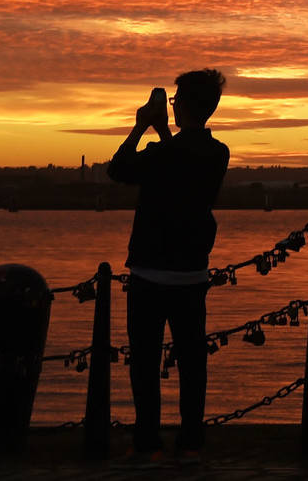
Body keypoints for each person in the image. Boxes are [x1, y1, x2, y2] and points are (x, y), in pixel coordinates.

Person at [108, 69, 230, 459]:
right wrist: (162, 132)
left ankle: (147, 437)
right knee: (192, 361)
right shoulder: (217, 153)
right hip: (192, 271)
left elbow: (118, 168)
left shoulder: (164, 153)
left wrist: (142, 126)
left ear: (183, 106)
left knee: (144, 361)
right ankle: (191, 437)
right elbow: (180, 161)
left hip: (148, 270)